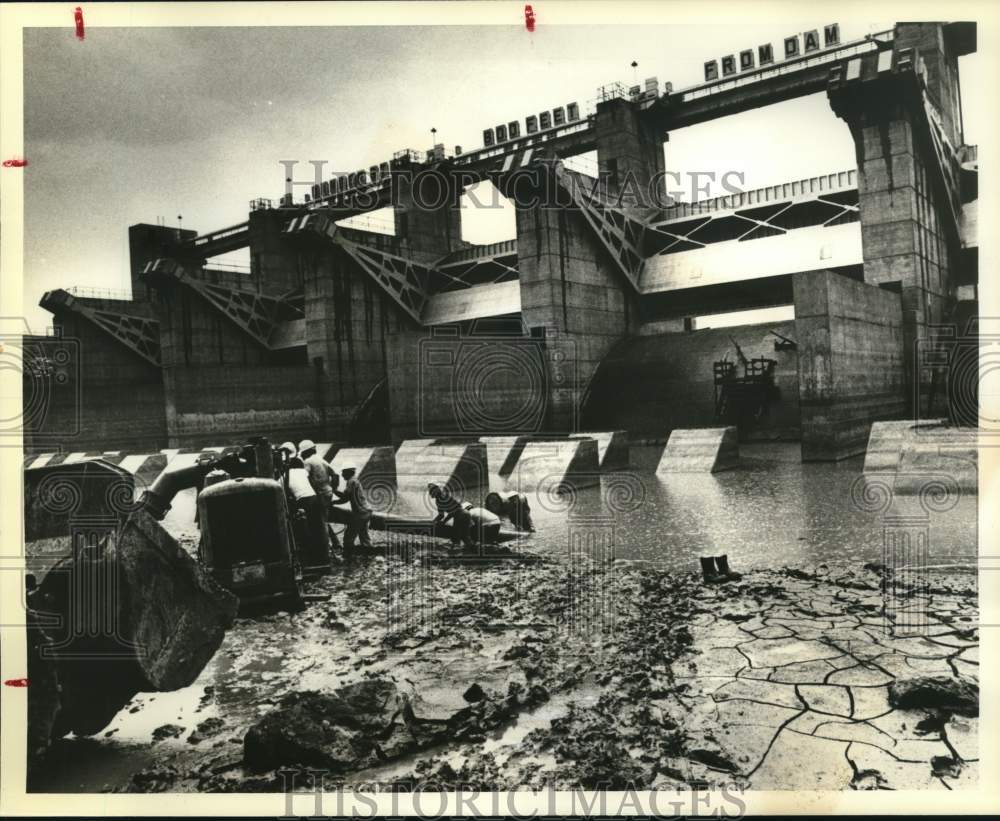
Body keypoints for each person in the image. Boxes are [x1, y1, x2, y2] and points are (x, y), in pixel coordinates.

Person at [285, 456, 331, 570]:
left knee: (304, 528)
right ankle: (323, 557)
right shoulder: (302, 472)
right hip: (314, 497)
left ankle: (309, 557)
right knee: (318, 527)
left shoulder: (285, 474)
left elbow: (285, 492)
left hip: (302, 500)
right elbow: (312, 484)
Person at [334, 466, 372, 556]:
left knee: (348, 537)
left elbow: (345, 498)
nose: (342, 475)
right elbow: (346, 497)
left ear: (348, 472)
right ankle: (369, 555)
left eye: (343, 472)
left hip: (360, 513)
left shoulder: (351, 482)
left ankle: (348, 557)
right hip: (366, 511)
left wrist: (333, 498)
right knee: (364, 535)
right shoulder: (354, 481)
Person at [428, 483, 473, 549]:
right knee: (465, 537)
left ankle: (459, 551)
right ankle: (471, 549)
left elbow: (453, 512)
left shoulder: (443, 498)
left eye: (431, 492)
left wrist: (444, 521)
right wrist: (434, 521)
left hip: (460, 515)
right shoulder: (440, 499)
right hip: (464, 514)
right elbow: (441, 515)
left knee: (457, 537)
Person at [298, 439, 339, 510]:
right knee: (325, 514)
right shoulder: (321, 459)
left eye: (302, 453)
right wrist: (333, 488)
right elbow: (335, 475)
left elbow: (304, 477)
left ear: (307, 451)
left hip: (319, 493)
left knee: (319, 516)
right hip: (328, 492)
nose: (302, 455)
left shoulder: (308, 461)